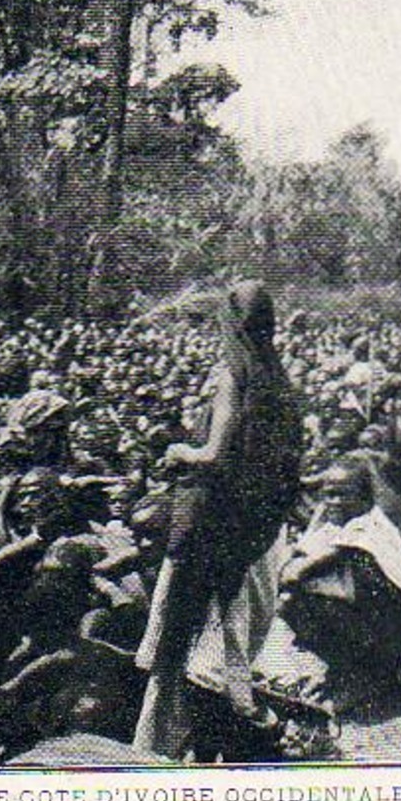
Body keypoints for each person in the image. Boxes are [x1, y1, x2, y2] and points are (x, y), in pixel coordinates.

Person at [133, 282, 303, 759]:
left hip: (216, 529)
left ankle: (169, 747)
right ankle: (222, 733)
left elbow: (213, 454)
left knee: (185, 647)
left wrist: (177, 450)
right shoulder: (278, 382)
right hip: (258, 532)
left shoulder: (235, 376)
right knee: (231, 646)